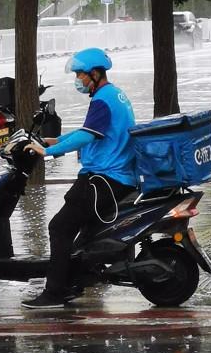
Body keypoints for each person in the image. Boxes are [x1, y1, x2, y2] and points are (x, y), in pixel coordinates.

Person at [21, 47, 137, 309]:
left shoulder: (102, 99)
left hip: (105, 178)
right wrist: (56, 139)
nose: (78, 80)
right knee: (83, 233)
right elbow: (88, 130)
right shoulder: (113, 95)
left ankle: (54, 293)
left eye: (81, 75)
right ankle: (75, 282)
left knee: (59, 227)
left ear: (95, 74)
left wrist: (47, 151)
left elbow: (87, 137)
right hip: (118, 177)